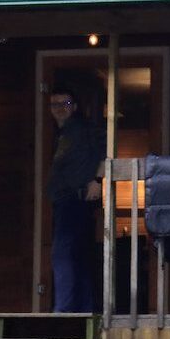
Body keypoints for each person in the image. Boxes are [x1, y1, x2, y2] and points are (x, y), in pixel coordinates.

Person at [46, 88, 105, 313]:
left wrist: (97, 179)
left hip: (76, 199)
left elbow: (105, 149)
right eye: (55, 104)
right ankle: (81, 309)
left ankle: (65, 311)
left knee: (64, 253)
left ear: (75, 107)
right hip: (65, 200)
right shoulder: (62, 134)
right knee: (76, 255)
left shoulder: (82, 130)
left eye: (65, 103)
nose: (60, 108)